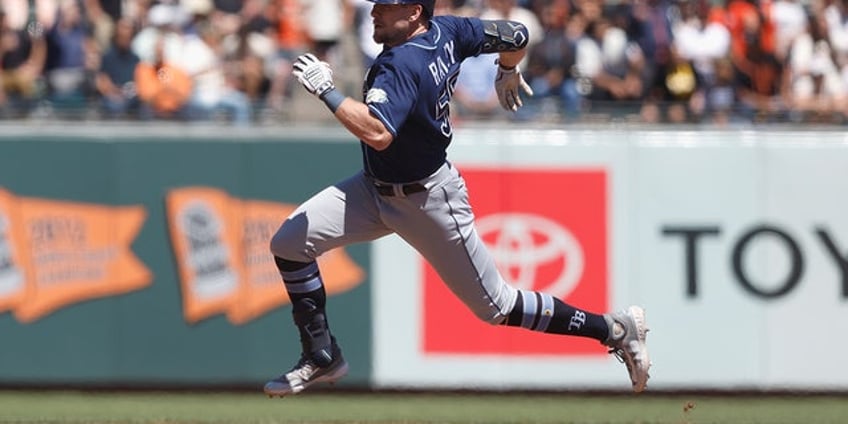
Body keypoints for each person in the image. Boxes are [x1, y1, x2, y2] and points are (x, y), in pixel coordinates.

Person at [264, 0, 651, 397]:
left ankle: (614, 328)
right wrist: (508, 68)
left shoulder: (400, 62)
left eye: (386, 6)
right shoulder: (448, 30)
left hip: (427, 199)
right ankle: (321, 355)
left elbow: (378, 133)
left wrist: (327, 91)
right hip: (374, 188)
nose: (375, 12)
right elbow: (516, 34)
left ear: (414, 12)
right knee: (290, 244)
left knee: (497, 307)